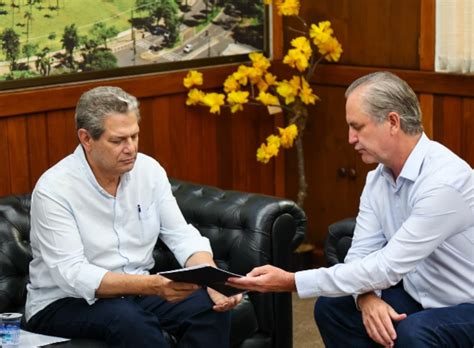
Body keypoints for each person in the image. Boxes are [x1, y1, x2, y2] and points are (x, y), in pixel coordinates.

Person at [228, 72, 474, 347]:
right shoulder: (377, 179)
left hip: (467, 304)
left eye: (358, 127)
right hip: (420, 295)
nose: (350, 138)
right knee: (332, 308)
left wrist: (291, 281)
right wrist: (365, 297)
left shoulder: (444, 183)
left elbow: (386, 267)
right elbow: (360, 255)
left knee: (413, 333)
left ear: (393, 122)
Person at [25, 86, 242, 347]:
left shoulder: (148, 171)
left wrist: (213, 279)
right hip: (63, 302)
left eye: (135, 136)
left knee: (208, 306)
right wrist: (150, 285)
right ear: (86, 138)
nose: (131, 149)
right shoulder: (54, 189)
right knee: (128, 320)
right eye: (118, 141)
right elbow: (73, 274)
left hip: (135, 291)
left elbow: (181, 236)